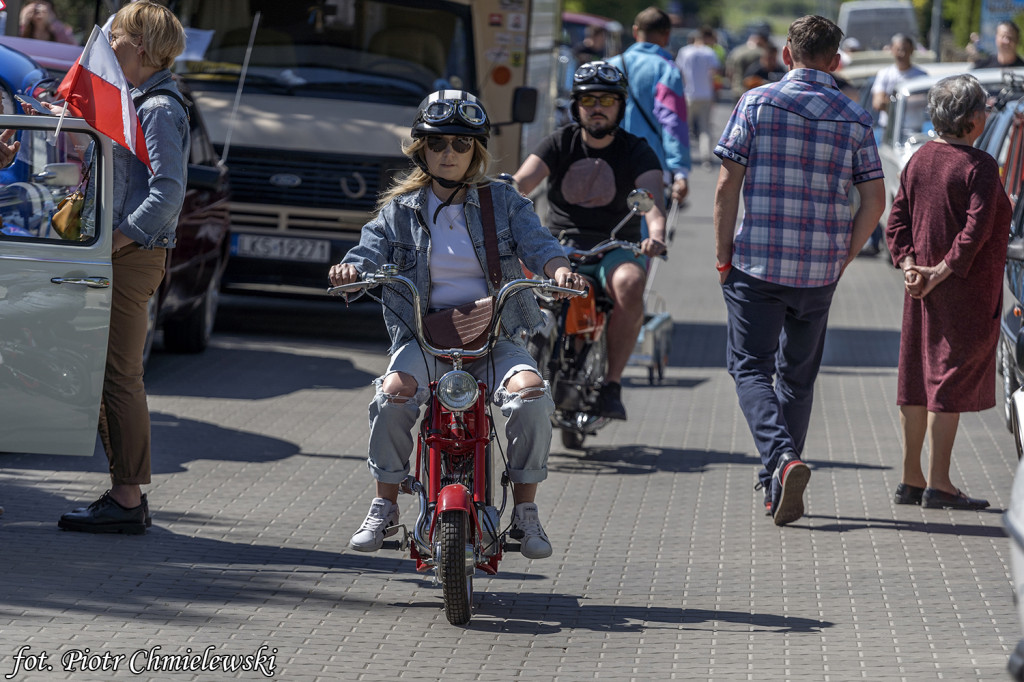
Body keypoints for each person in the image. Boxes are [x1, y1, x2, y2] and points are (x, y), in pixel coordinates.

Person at [329, 90, 583, 559]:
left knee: (530, 394)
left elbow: (540, 243)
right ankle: (384, 506)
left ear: (476, 152)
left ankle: (526, 511)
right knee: (392, 395)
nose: (449, 153)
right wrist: (349, 271)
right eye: (439, 143)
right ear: (421, 149)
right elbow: (367, 251)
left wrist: (558, 269)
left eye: (461, 145)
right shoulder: (399, 211)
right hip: (425, 337)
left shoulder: (503, 200)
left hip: (495, 335)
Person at [714, 15, 886, 526]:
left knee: (749, 367)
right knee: (799, 378)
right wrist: (845, 254)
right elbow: (874, 201)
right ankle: (776, 484)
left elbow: (727, 185)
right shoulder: (855, 117)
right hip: (819, 271)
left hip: (758, 264)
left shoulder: (757, 102)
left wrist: (722, 255)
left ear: (787, 54)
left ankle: (782, 460)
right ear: (836, 61)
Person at [55, 1, 190, 534]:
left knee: (119, 377)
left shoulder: (157, 108)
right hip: (124, 253)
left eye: (115, 37)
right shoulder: (142, 100)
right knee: (112, 374)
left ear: (138, 47)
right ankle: (125, 493)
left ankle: (128, 497)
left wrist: (114, 238)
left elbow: (169, 191)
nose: (108, 45)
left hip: (130, 256)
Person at [512, 61, 668, 421]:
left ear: (620, 106)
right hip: (558, 246)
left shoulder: (637, 150)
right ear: (576, 106)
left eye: (607, 100)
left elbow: (653, 205)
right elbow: (521, 183)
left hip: (614, 248)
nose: (597, 107)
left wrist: (655, 236)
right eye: (589, 100)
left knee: (630, 284)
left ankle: (611, 384)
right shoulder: (559, 142)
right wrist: (495, 198)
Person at [885, 74, 1009, 511]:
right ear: (973, 120)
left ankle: (911, 478)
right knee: (946, 385)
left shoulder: (919, 161)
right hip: (963, 294)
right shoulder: (979, 169)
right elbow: (975, 234)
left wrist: (909, 266)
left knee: (917, 381)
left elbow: (895, 223)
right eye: (984, 110)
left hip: (919, 291)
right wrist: (937, 271)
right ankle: (939, 484)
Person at [607, 7, 689, 205]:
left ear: (635, 31)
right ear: (667, 34)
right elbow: (672, 121)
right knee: (646, 230)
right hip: (650, 167)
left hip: (608, 162)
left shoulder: (609, 66)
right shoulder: (666, 70)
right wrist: (680, 170)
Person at [862, 33, 927, 256]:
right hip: (888, 134)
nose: (901, 53)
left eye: (905, 48)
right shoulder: (885, 74)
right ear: (892, 50)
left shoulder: (921, 75)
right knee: (875, 185)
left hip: (916, 135)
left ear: (911, 51)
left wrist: (899, 101)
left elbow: (927, 101)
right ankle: (874, 240)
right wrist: (903, 102)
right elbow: (878, 102)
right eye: (897, 48)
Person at [676, 26, 721, 167]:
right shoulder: (709, 53)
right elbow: (714, 73)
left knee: (684, 127)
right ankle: (706, 158)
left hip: (688, 94)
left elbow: (679, 72)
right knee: (705, 128)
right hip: (705, 94)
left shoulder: (685, 51)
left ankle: (682, 156)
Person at [726, 27, 770, 93]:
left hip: (737, 89)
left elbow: (729, 73)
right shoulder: (762, 53)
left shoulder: (736, 51)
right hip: (754, 92)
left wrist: (734, 85)